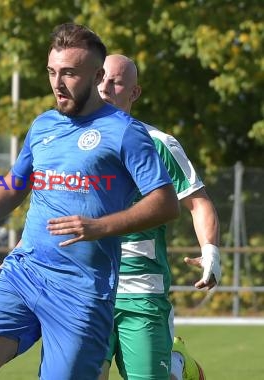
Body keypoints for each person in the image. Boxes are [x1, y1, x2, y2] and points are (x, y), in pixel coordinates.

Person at [0, 24, 180, 380]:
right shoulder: (43, 125)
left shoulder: (125, 132)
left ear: (98, 75)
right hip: (24, 272)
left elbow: (165, 204)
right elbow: (14, 186)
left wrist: (100, 227)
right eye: (52, 72)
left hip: (81, 289)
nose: (58, 83)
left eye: (70, 73)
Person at [97, 54, 221, 380]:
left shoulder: (158, 144)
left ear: (134, 92)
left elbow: (198, 203)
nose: (105, 87)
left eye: (116, 81)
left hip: (142, 291)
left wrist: (211, 253)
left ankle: (178, 365)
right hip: (85, 288)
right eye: (100, 78)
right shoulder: (71, 142)